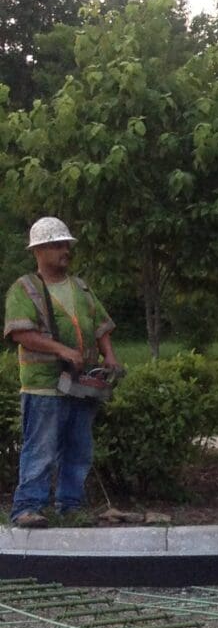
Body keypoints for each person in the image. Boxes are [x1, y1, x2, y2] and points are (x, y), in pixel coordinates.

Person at [5, 217, 120, 529]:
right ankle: (28, 507)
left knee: (78, 448)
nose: (65, 250)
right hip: (43, 385)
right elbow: (21, 333)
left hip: (82, 384)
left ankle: (70, 505)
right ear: (39, 250)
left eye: (66, 244)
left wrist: (108, 354)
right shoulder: (25, 289)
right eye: (56, 245)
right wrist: (62, 350)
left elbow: (100, 325)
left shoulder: (81, 287)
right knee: (40, 448)